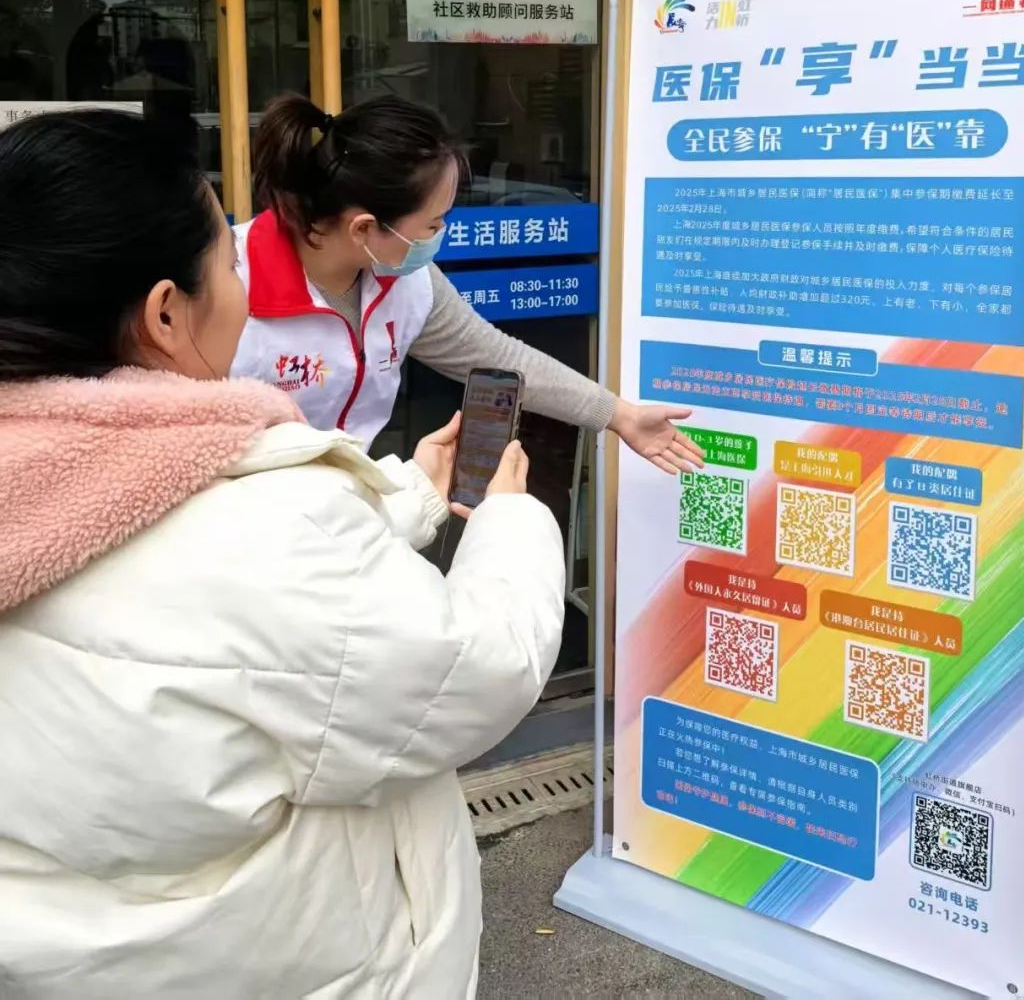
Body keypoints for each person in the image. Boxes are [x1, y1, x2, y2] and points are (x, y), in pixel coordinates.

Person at [0, 109, 566, 998]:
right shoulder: (264, 519)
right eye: (223, 264)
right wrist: (509, 521)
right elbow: (474, 666)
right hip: (287, 961)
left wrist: (410, 493)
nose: (239, 280)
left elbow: (270, 610)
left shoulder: (61, 487)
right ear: (164, 312)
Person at [232, 92, 704, 475]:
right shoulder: (230, 284)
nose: (440, 235)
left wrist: (619, 415)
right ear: (364, 229)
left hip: (346, 510)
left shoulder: (406, 279)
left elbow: (496, 355)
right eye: (432, 224)